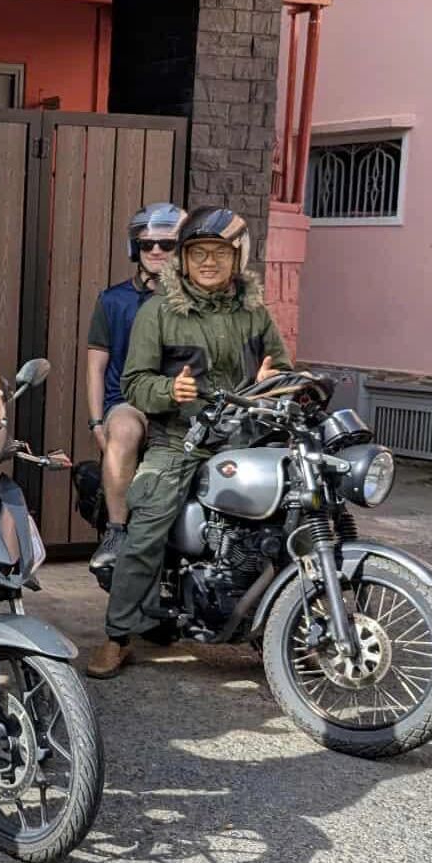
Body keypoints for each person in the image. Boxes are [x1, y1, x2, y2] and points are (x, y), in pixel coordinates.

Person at [89, 206, 289, 679]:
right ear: (184, 259)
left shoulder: (255, 312)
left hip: (246, 435)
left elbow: (280, 366)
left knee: (292, 507)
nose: (208, 262)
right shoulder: (159, 311)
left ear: (238, 256)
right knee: (147, 525)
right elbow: (134, 383)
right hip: (182, 437)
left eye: (219, 252)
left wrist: (274, 378)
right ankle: (119, 634)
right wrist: (169, 390)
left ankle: (280, 618)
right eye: (198, 252)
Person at [85, 203, 186, 576]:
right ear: (135, 249)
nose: (156, 250)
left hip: (180, 404)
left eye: (167, 244)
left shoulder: (195, 301)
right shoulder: (113, 301)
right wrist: (97, 422)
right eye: (147, 244)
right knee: (125, 430)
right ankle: (116, 532)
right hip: (128, 402)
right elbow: (96, 366)